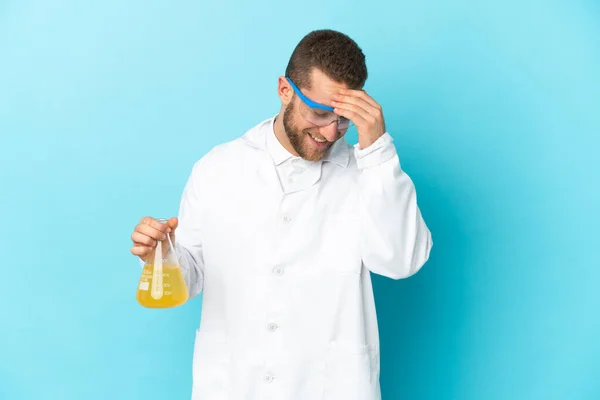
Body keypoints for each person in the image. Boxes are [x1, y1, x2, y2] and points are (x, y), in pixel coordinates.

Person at [130, 29, 433, 400]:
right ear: (285, 90)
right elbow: (193, 275)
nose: (330, 132)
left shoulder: (369, 175)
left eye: (343, 120)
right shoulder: (217, 169)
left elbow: (401, 261)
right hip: (235, 385)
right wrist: (162, 253)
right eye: (320, 112)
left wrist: (378, 150)